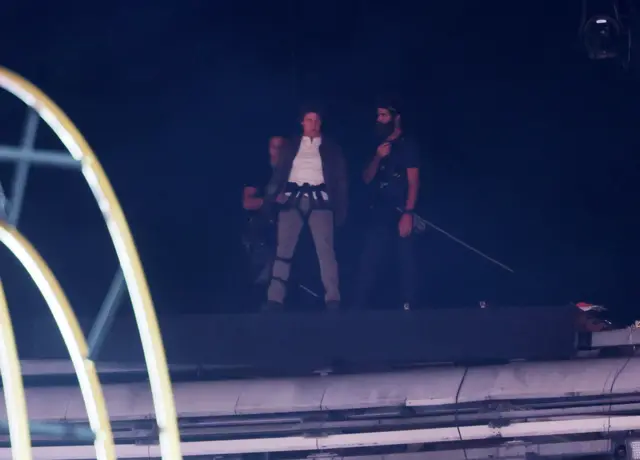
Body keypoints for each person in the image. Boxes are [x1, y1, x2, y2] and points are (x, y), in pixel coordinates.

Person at [264, 108, 348, 311]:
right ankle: (275, 299)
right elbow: (279, 174)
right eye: (309, 119)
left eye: (317, 120)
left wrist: (341, 210)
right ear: (302, 122)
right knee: (283, 251)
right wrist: (269, 201)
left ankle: (333, 299)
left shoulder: (331, 148)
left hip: (320, 202)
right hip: (292, 200)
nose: (313, 123)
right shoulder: (291, 146)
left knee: (325, 251)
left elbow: (341, 181)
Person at [354, 102, 421, 311]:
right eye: (378, 115)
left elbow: (414, 181)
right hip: (379, 211)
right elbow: (365, 178)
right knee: (369, 259)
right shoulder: (377, 145)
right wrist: (377, 157)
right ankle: (358, 308)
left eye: (383, 115)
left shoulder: (407, 145)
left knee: (405, 260)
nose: (379, 119)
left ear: (395, 117)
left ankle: (409, 306)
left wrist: (409, 213)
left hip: (401, 210)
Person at [242, 136, 285, 286]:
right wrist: (270, 200)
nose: (278, 151)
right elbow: (247, 203)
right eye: (274, 147)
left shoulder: (293, 173)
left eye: (281, 148)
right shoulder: (259, 172)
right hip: (262, 228)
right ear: (269, 148)